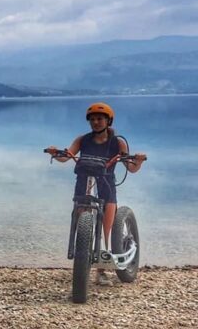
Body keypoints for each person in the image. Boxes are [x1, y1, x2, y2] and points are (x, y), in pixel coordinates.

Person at [45, 102, 146, 286]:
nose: (96, 122)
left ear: (108, 120)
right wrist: (55, 152)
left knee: (107, 228)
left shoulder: (118, 143)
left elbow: (130, 168)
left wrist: (138, 161)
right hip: (83, 182)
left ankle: (102, 270)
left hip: (106, 184)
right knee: (80, 217)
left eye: (100, 119)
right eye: (92, 119)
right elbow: (66, 156)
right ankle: (82, 259)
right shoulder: (82, 140)